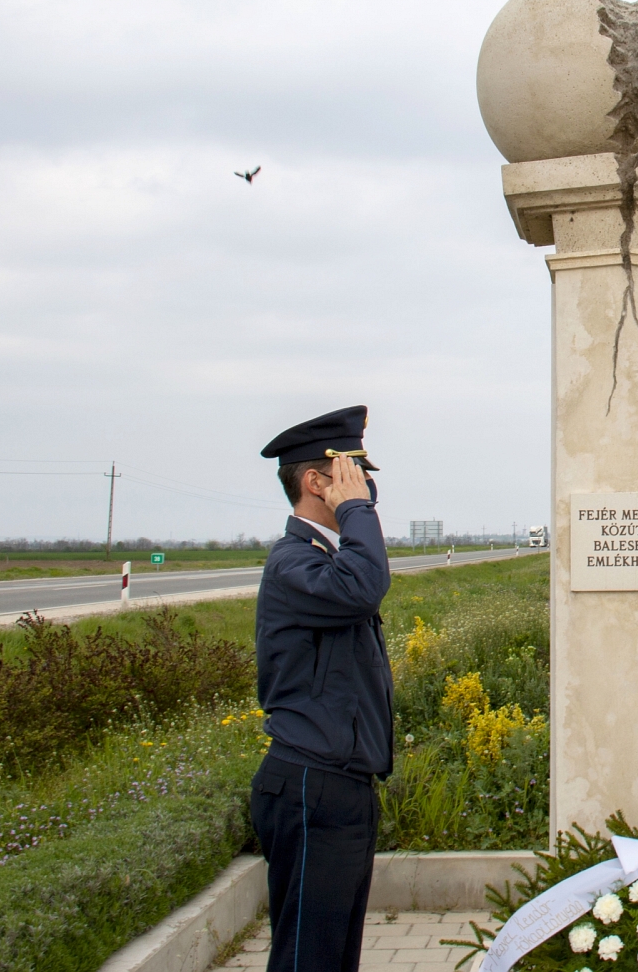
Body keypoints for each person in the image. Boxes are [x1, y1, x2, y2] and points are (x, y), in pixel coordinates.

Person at [251, 405, 394, 972]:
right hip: (313, 785)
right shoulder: (294, 563)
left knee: (333, 957)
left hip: (339, 784)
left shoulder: (324, 561)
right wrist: (355, 510)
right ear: (316, 482)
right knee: (307, 958)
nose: (368, 490)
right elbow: (364, 587)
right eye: (356, 475)